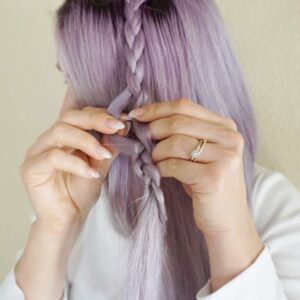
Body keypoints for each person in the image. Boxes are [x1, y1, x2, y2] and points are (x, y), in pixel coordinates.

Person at [1, 0, 300, 299]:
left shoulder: (271, 209)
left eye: (80, 83)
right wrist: (54, 229)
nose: (64, 111)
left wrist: (230, 236)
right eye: (67, 80)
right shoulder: (79, 203)